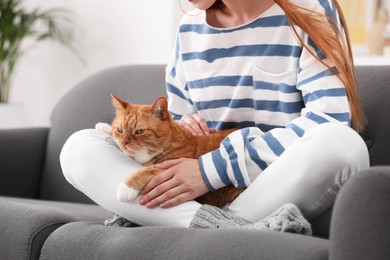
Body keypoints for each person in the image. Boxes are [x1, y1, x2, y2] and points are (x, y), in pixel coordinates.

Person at [60, 0, 369, 233]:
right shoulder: (189, 28)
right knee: (79, 148)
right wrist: (185, 125)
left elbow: (329, 118)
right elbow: (177, 122)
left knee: (342, 145)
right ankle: (227, 232)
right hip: (200, 196)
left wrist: (210, 171)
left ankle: (190, 228)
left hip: (269, 186)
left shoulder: (310, 10)